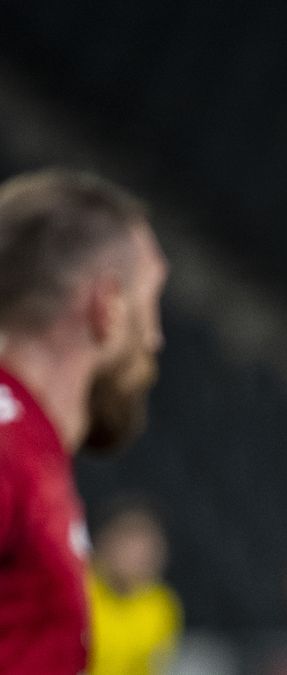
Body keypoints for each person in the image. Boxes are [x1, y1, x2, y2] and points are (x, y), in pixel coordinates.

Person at [0, 168, 168, 673]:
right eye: (152, 304)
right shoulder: (9, 452)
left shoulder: (30, 451)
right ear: (108, 306)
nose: (157, 338)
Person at [87, 495, 183, 675]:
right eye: (129, 540)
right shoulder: (73, 594)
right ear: (102, 541)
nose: (139, 555)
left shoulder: (161, 607)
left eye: (148, 545)